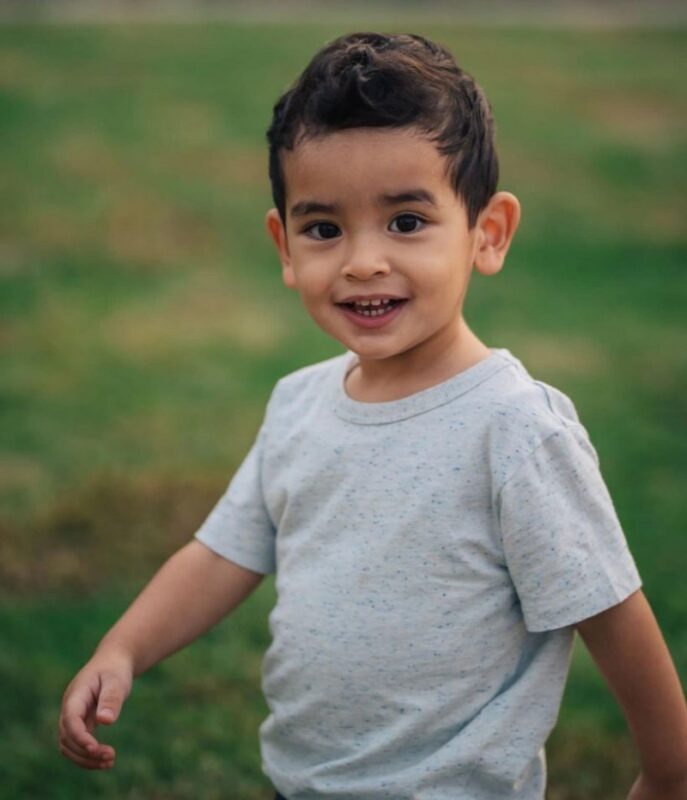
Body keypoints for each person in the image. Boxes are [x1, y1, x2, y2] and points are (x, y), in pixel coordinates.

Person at [58, 32, 687, 800]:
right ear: (284, 246)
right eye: (323, 229)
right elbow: (223, 553)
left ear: (486, 234)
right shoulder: (298, 404)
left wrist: (667, 773)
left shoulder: (514, 430)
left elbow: (610, 612)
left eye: (406, 222)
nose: (361, 262)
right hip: (304, 783)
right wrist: (122, 649)